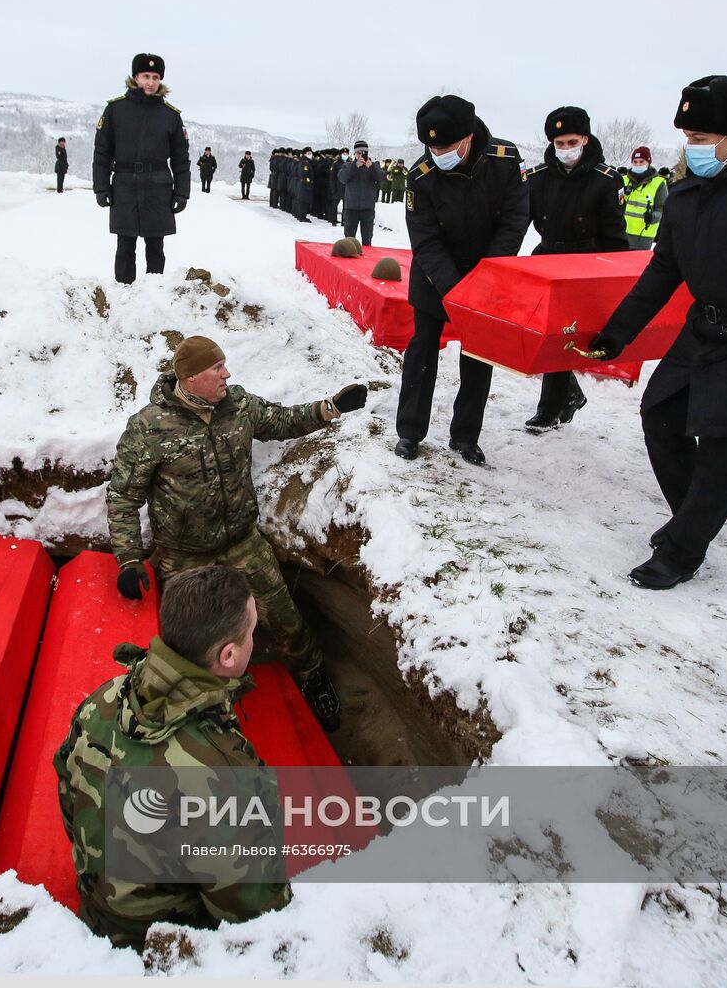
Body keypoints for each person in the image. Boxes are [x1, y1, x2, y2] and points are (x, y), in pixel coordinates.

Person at [586, 75, 727, 589]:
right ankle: (698, 514)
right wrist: (617, 333)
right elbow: (663, 270)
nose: (692, 147)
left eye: (703, 138)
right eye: (688, 136)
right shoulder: (689, 190)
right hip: (703, 331)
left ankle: (682, 551)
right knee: (660, 415)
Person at [106, 335, 369, 731]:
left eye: (224, 365)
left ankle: (313, 678)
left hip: (243, 543)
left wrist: (330, 408)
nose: (227, 373)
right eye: (217, 368)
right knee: (195, 643)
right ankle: (202, 712)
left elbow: (283, 421)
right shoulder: (150, 429)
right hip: (184, 556)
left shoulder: (239, 406)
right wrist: (127, 558)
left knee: (286, 619)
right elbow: (123, 496)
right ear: (191, 377)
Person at [53, 565, 292, 950]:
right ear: (229, 655)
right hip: (166, 946)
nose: (254, 638)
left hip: (98, 911)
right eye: (251, 632)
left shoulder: (105, 698)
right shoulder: (222, 776)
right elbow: (255, 914)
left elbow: (68, 793)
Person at [394, 95, 529, 465]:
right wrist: (454, 288)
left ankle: (465, 436)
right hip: (436, 276)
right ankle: (409, 431)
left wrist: (487, 275)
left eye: (446, 146)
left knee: (478, 355)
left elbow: (516, 219)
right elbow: (424, 238)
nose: (438, 152)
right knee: (422, 348)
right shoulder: (420, 176)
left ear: (468, 136)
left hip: (488, 273)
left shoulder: (504, 161)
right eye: (431, 146)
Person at [522, 106, 629, 433]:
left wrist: (613, 281)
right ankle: (569, 395)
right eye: (559, 142)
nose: (565, 148)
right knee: (540, 334)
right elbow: (518, 222)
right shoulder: (538, 178)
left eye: (571, 141)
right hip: (547, 261)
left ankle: (551, 409)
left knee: (564, 335)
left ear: (585, 138)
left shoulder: (606, 180)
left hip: (587, 265)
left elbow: (615, 237)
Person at [93, 52, 190, 284]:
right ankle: (124, 295)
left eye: (155, 77)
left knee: (155, 246)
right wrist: (101, 187)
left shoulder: (170, 115)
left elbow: (180, 158)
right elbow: (102, 152)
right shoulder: (116, 110)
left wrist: (182, 192)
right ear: (135, 77)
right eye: (145, 76)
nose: (150, 82)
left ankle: (154, 296)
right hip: (125, 185)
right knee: (125, 246)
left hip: (158, 187)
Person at [336, 140, 386, 245]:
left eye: (364, 152)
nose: (361, 155)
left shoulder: (374, 165)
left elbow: (381, 178)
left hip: (367, 209)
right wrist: (355, 166)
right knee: (349, 240)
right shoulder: (348, 165)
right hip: (351, 208)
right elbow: (342, 178)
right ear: (354, 153)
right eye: (358, 153)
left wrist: (371, 167)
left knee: (367, 239)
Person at [624, 145, 667, 250]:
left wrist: (653, 217)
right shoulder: (623, 180)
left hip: (644, 236)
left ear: (648, 162)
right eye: (635, 162)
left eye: (641, 161)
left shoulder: (659, 183)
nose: (638, 164)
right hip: (622, 232)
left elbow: (662, 209)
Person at [293, 147, 314, 222]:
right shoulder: (305, 162)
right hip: (304, 185)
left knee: (303, 201)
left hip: (303, 184)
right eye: (308, 153)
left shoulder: (305, 161)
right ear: (305, 154)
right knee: (303, 201)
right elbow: (304, 175)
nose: (310, 155)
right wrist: (308, 183)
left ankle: (301, 216)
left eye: (311, 153)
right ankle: (302, 217)